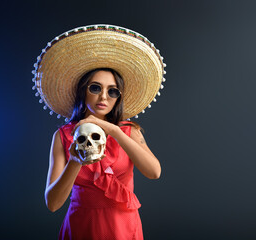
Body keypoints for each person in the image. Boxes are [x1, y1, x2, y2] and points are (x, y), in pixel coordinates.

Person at [31, 24, 166, 239]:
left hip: (123, 226)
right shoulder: (64, 136)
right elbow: (53, 204)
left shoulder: (130, 132)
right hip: (81, 225)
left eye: (112, 91)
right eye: (95, 88)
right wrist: (75, 161)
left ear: (118, 97)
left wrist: (114, 129)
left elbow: (154, 172)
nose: (104, 97)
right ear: (82, 90)